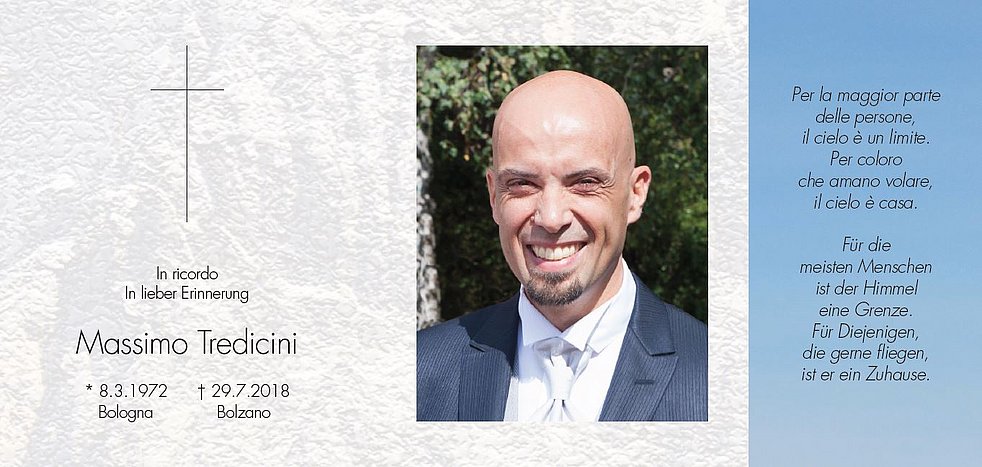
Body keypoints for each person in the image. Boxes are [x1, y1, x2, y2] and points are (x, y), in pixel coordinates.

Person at [417, 70, 707, 421]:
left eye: (585, 182)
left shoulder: (716, 379)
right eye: (522, 184)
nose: (551, 218)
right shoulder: (419, 373)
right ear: (494, 196)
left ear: (635, 194)